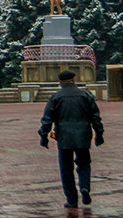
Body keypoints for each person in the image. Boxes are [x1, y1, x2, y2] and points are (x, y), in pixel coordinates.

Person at [39, 70, 104, 209]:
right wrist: (99, 133)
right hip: (83, 136)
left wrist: (43, 136)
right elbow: (95, 117)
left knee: (66, 169)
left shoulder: (56, 97)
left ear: (60, 82)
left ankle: (72, 199)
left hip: (64, 137)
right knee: (84, 164)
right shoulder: (85, 95)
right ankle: (85, 188)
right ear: (74, 80)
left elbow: (47, 119)